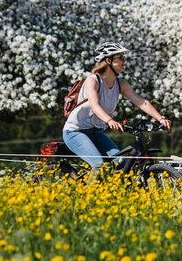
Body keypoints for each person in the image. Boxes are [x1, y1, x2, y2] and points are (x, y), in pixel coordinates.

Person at [63, 42, 172, 173]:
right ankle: (88, 194)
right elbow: (95, 105)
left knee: (121, 163)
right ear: (108, 60)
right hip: (76, 132)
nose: (124, 61)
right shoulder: (93, 81)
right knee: (98, 164)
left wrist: (160, 118)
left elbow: (141, 102)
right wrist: (110, 121)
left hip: (96, 132)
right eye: (120, 58)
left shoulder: (121, 84)